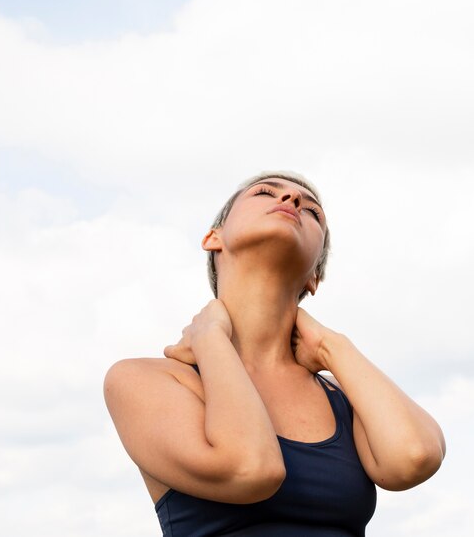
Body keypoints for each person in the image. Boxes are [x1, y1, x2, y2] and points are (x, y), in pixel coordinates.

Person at [104, 171, 446, 536]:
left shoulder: (345, 393)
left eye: (313, 212)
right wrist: (211, 338)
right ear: (213, 238)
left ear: (315, 276)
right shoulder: (143, 379)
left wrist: (333, 347)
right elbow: (250, 469)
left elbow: (414, 457)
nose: (293, 201)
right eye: (265, 192)